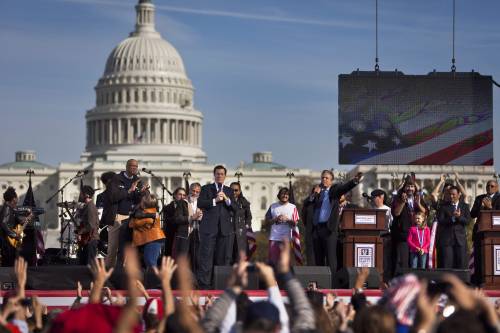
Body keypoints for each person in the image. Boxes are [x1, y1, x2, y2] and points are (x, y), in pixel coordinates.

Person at [303, 170, 363, 281]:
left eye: (326, 178)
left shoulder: (334, 191)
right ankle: (320, 282)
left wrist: (354, 181)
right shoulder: (317, 192)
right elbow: (306, 203)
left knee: (331, 258)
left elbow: (344, 188)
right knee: (318, 258)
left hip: (329, 229)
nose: (324, 180)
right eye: (322, 178)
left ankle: (332, 284)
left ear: (331, 181)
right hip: (317, 229)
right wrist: (313, 194)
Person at [197, 165, 237, 289]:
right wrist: (215, 200)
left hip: (224, 230)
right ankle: (205, 285)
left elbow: (235, 208)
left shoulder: (229, 191)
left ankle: (220, 285)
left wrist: (226, 199)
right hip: (209, 228)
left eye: (222, 174)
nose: (219, 176)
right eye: (217, 174)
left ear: (225, 176)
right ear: (214, 175)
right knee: (206, 258)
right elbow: (200, 203)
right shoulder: (206, 188)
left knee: (223, 259)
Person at [391, 176, 427, 274]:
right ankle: (402, 282)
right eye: (408, 186)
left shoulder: (418, 198)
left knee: (416, 263)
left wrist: (418, 204)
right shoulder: (398, 198)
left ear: (415, 188)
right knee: (403, 261)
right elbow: (396, 213)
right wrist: (403, 202)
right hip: (403, 235)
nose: (410, 188)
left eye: (412, 186)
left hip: (417, 237)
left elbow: (425, 212)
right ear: (404, 187)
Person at [470, 180, 500, 285]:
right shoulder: (479, 198)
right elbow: (472, 214)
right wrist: (481, 206)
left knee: (492, 259)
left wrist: (490, 208)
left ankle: (492, 281)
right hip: (479, 232)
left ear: (497, 188)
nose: (489, 188)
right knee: (478, 258)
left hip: (495, 235)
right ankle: (478, 281)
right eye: (488, 186)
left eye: (492, 186)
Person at [437, 186, 471, 269]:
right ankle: (447, 282)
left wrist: (459, 217)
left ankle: (461, 282)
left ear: (459, 194)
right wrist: (452, 218)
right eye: (450, 194)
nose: (451, 196)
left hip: (460, 240)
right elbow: (441, 221)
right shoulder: (443, 206)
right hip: (447, 241)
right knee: (447, 264)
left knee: (461, 264)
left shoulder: (465, 206)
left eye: (453, 194)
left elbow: (468, 221)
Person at [163, 187, 202, 259]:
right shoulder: (168, 207)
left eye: (184, 195)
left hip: (183, 234)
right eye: (180, 194)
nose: (182, 197)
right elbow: (169, 220)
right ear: (174, 195)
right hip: (172, 234)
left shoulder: (187, 205)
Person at [129, 193, 165, 268]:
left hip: (153, 239)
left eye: (141, 201)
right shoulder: (148, 211)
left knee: (150, 262)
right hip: (148, 239)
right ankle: (149, 279)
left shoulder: (150, 213)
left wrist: (133, 217)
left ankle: (154, 279)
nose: (140, 203)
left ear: (145, 204)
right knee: (146, 263)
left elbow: (132, 224)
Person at [265, 187, 299, 265]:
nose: (285, 196)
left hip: (287, 239)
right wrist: (276, 219)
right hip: (274, 237)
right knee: (273, 261)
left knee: (286, 262)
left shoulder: (293, 207)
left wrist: (287, 219)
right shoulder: (273, 206)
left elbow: (295, 223)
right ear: (279, 195)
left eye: (287, 194)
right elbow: (267, 222)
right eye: (283, 194)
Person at [0, 187, 31, 267]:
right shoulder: (7, 208)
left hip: (9, 241)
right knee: (8, 262)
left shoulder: (10, 208)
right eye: (16, 199)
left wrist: (26, 218)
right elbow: (4, 224)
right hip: (6, 241)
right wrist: (14, 235)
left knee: (10, 262)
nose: (17, 201)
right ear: (12, 199)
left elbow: (16, 219)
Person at [370, 189, 393, 282]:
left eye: (374, 198)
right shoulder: (372, 210)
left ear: (381, 197)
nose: (373, 200)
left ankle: (385, 280)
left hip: (385, 237)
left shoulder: (387, 210)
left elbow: (391, 224)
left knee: (384, 261)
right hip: (374, 237)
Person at [75, 185, 100, 266]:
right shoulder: (87, 206)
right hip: (87, 239)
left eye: (81, 194)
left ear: (86, 195)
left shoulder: (90, 208)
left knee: (89, 266)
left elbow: (91, 225)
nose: (80, 195)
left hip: (91, 239)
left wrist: (80, 232)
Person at [229, 182, 252, 263]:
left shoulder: (243, 201)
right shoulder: (226, 200)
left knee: (240, 254)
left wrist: (246, 226)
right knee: (229, 254)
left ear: (239, 191)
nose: (234, 192)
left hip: (240, 232)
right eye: (232, 190)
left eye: (236, 190)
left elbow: (248, 216)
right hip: (229, 231)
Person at [187, 183, 203, 270]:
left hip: (198, 231)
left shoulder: (202, 203)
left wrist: (201, 217)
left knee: (196, 255)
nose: (195, 193)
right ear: (189, 190)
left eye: (197, 192)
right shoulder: (184, 201)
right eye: (193, 191)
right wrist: (192, 217)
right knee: (187, 256)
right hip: (187, 231)